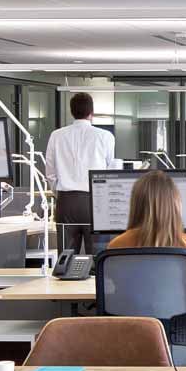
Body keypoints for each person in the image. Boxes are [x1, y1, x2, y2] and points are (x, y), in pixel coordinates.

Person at [107, 169, 186, 294]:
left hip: (129, 314)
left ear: (136, 205)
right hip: (178, 313)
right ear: (175, 205)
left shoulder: (116, 246)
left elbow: (112, 285)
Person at [44, 91, 113, 255]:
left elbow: (50, 172)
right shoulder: (105, 136)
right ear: (92, 112)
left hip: (66, 202)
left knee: (66, 258)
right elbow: (110, 172)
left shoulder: (57, 135)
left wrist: (59, 192)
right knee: (98, 256)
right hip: (96, 202)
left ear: (72, 111)